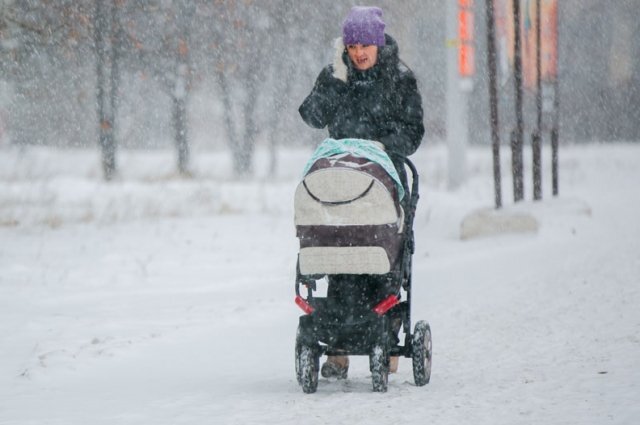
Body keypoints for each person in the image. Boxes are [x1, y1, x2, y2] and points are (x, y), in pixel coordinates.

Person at [298, 6, 425, 379]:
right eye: (351, 45)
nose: (358, 53)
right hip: (341, 179)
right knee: (341, 256)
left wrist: (382, 146)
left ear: (378, 42)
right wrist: (335, 79)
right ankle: (337, 347)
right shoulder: (337, 75)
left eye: (365, 44)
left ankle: (383, 332)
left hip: (383, 176)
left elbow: (413, 132)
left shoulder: (400, 81)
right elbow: (312, 116)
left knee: (380, 258)